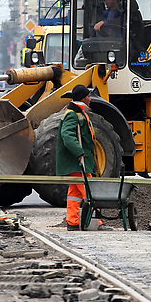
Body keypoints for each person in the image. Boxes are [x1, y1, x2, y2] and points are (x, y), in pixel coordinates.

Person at [57, 84, 97, 231]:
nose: (90, 99)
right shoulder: (73, 114)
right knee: (90, 192)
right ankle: (95, 222)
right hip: (79, 162)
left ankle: (72, 222)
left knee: (74, 193)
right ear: (82, 98)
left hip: (78, 162)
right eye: (88, 96)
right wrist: (79, 152)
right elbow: (67, 136)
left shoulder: (78, 113)